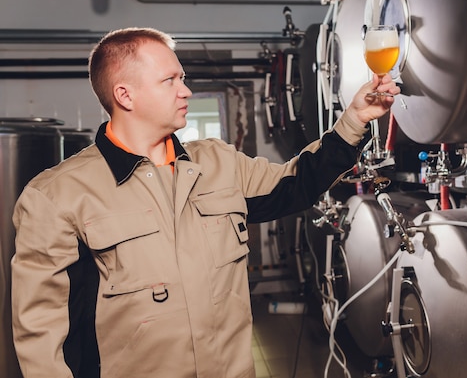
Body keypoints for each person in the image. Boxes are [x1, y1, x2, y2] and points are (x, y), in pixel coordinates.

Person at [11, 27, 399, 378]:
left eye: (182, 78)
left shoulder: (218, 162)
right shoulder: (56, 195)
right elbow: (41, 335)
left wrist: (355, 119)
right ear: (124, 95)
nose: (185, 91)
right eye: (170, 80)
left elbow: (296, 183)